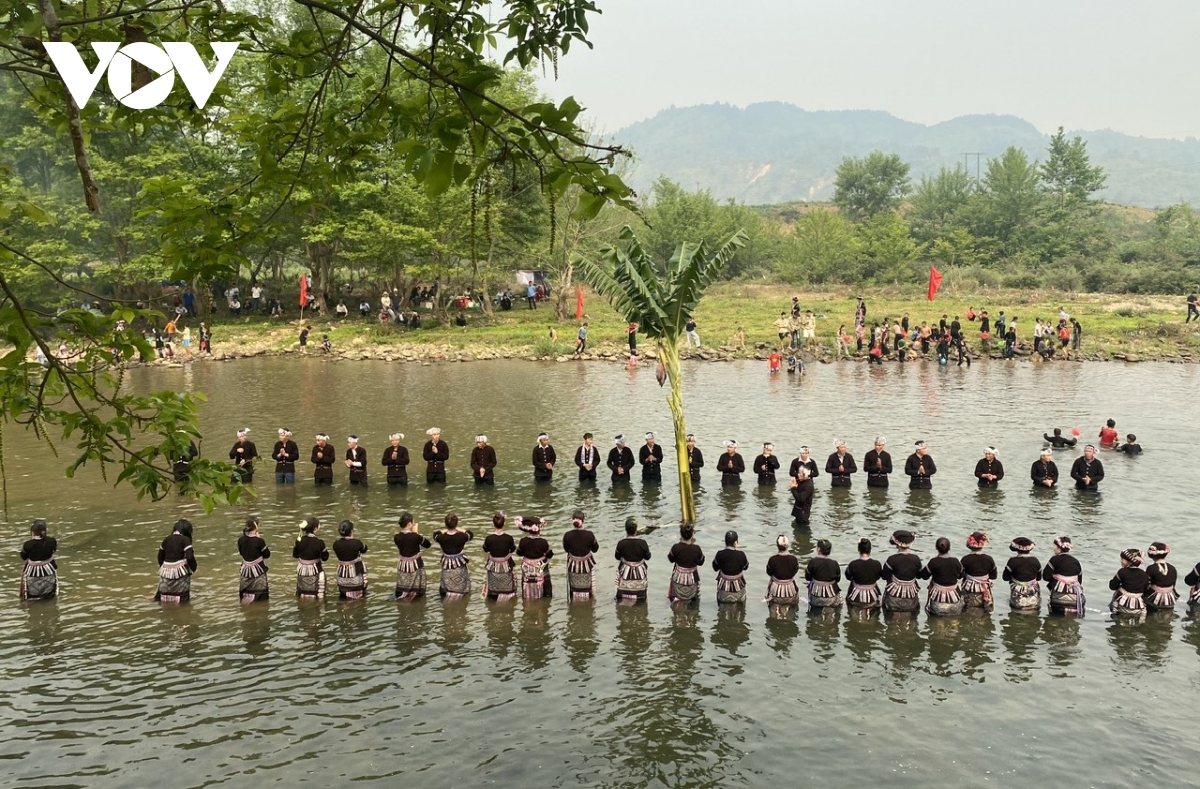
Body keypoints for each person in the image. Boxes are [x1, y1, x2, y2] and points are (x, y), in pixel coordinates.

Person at [433, 514, 474, 600]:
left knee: (445, 583)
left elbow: (435, 535)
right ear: (456, 524)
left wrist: (444, 530)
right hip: (459, 563)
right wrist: (459, 529)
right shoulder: (462, 537)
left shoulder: (441, 538)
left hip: (447, 564)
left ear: (445, 524)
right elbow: (470, 534)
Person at [920, 538, 965, 616]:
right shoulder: (955, 561)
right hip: (954, 597)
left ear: (936, 548)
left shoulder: (933, 562)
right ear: (949, 548)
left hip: (937, 598)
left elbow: (924, 576)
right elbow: (961, 575)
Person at [155, 519, 196, 603]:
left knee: (163, 598)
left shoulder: (166, 540)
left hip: (165, 574)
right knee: (182, 602)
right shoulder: (185, 540)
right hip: (181, 574)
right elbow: (190, 557)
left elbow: (160, 557)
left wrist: (165, 568)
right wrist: (192, 569)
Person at [562, 510, 599, 601]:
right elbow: (595, 549)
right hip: (587, 566)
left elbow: (566, 550)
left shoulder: (567, 535)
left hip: (573, 566)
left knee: (573, 590)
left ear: (572, 521)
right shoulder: (590, 535)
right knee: (589, 589)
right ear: (583, 521)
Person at [1044, 536, 1085, 616]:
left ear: (1059, 547)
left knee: (1055, 620)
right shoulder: (1076, 561)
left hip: (1058, 597)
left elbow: (1046, 577)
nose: (1053, 548)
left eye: (1054, 546)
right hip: (1075, 597)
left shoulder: (1054, 560)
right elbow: (1079, 581)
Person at [881, 530, 921, 612]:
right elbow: (919, 575)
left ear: (896, 544)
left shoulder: (892, 559)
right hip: (911, 594)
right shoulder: (916, 559)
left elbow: (885, 576)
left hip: (894, 595)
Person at [393, 513, 430, 600]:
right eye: (413, 522)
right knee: (417, 590)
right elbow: (428, 544)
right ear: (409, 524)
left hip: (403, 565)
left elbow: (407, 541)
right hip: (415, 565)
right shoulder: (416, 537)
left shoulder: (396, 537)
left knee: (403, 583)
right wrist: (416, 533)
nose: (414, 524)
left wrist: (414, 534)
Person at [482, 512, 517, 602]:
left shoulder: (489, 538)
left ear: (493, 524)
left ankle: (493, 593)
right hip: (506, 565)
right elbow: (513, 549)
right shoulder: (509, 538)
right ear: (504, 524)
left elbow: (485, 549)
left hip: (493, 564)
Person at [614, 517, 651, 604]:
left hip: (625, 574)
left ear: (626, 530)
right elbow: (648, 557)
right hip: (640, 575)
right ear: (636, 530)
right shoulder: (643, 543)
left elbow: (617, 557)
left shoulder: (621, 543)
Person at [20, 519, 57, 601]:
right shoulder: (52, 541)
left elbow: (23, 557)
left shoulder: (27, 544)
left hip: (32, 574)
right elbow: (53, 550)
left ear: (32, 532)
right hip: (49, 572)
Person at [516, 518, 553, 599]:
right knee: (547, 591)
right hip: (541, 567)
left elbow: (519, 553)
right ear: (538, 530)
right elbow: (550, 554)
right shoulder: (543, 542)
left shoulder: (523, 541)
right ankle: (546, 595)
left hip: (527, 568)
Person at [667, 524, 704, 604]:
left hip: (678, 580)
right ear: (692, 534)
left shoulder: (675, 547)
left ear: (681, 534)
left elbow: (670, 559)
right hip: (692, 581)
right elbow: (701, 562)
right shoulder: (697, 549)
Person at [960, 531, 997, 611]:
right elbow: (994, 576)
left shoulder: (965, 559)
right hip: (984, 589)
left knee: (968, 611)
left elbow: (960, 575)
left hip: (969, 589)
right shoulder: (989, 559)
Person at [332, 520, 369, 600]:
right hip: (355, 578)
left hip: (342, 578)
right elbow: (364, 549)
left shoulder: (336, 544)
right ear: (351, 531)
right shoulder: (357, 543)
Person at [237, 517, 271, 603]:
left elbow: (241, 553)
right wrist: (258, 538)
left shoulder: (240, 540)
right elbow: (267, 555)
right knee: (261, 600)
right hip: (258, 571)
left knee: (245, 597)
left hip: (245, 570)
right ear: (256, 527)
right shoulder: (259, 541)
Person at [1003, 537, 1041, 611]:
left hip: (1017, 592)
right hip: (1032, 591)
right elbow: (1039, 577)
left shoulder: (1012, 561)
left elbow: (1005, 578)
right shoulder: (1035, 561)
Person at [293, 518, 328, 599]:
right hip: (316, 571)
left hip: (301, 571)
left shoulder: (298, 541)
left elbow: (295, 555)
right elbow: (325, 558)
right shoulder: (320, 542)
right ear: (315, 529)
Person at [845, 538, 883, 611]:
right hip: (872, 597)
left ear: (858, 549)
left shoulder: (853, 564)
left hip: (856, 597)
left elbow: (848, 577)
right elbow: (878, 577)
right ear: (870, 549)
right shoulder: (877, 564)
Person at [1109, 548, 1149, 617]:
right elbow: (1146, 591)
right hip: (1138, 605)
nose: (1120, 561)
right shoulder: (1144, 574)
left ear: (1130, 561)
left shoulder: (1122, 572)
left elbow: (1113, 586)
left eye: (1122, 559)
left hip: (1123, 604)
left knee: (1116, 597)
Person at [712, 530, 749, 604]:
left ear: (725, 542)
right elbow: (745, 567)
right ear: (736, 542)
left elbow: (715, 568)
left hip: (724, 592)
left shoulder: (720, 554)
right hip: (739, 591)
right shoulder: (741, 554)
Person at [805, 538, 843, 609]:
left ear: (819, 549)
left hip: (816, 597)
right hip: (831, 597)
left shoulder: (813, 562)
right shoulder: (834, 563)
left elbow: (807, 577)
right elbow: (838, 579)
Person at [765, 535, 800, 606]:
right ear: (788, 545)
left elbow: (769, 572)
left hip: (775, 591)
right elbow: (794, 572)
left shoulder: (772, 559)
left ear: (777, 545)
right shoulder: (794, 559)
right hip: (791, 590)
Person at [1144, 542, 1179, 611]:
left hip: (1155, 599)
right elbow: (1173, 584)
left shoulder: (1151, 568)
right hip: (1170, 599)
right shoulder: (1172, 568)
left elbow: (1146, 584)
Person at [788, 460, 815, 525]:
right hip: (798, 511)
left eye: (800, 473)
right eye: (798, 472)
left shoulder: (809, 485)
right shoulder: (802, 482)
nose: (798, 474)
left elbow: (801, 498)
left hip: (803, 513)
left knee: (802, 530)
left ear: (805, 475)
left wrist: (793, 488)